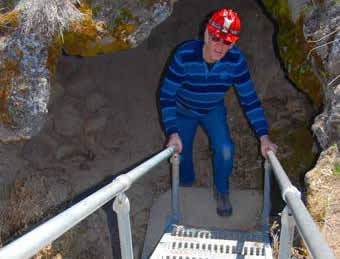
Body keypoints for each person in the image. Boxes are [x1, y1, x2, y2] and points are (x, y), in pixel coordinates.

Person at [159, 8, 277, 217]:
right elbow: (167, 95)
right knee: (181, 152)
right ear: (206, 33)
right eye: (216, 38)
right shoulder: (184, 55)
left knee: (225, 149)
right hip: (183, 110)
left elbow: (249, 99)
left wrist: (264, 137)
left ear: (234, 43)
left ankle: (222, 190)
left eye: (227, 42)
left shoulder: (236, 61)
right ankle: (187, 186)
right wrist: (172, 131)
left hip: (212, 109)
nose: (220, 47)